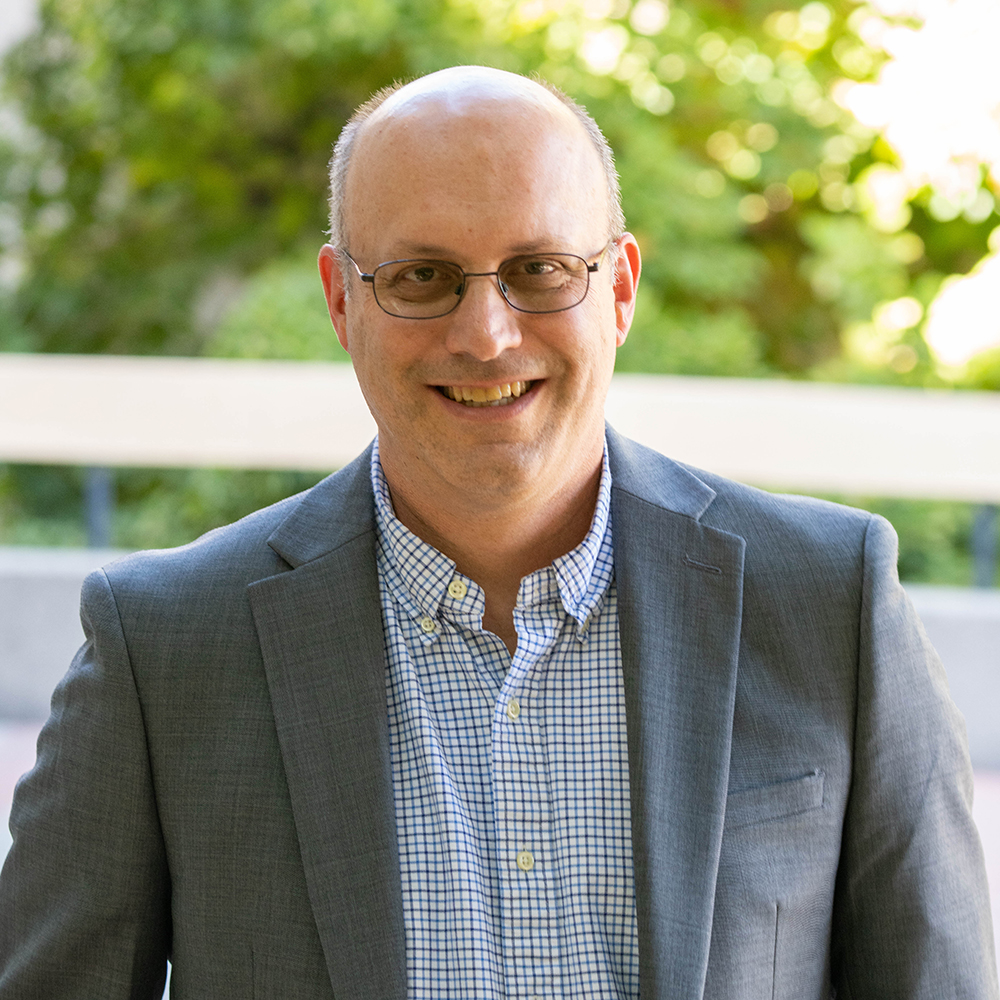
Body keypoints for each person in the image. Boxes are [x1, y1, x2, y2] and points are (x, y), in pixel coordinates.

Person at [0, 65, 996, 1000]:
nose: (486, 334)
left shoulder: (829, 601)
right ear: (342, 300)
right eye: (421, 276)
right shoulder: (165, 647)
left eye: (540, 268)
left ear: (619, 289)